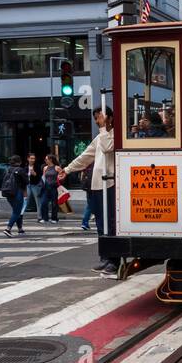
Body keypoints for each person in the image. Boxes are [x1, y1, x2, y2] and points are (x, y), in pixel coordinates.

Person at [61, 109, 117, 276]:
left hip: (111, 184)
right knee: (101, 224)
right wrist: (68, 169)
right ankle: (105, 257)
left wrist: (103, 128)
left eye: (100, 117)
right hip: (98, 185)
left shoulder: (113, 135)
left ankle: (114, 260)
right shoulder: (100, 136)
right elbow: (86, 156)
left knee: (111, 223)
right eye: (96, 118)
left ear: (110, 117)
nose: (97, 120)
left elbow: (108, 148)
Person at [1, 155, 29, 236]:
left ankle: (20, 229)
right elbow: (26, 181)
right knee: (17, 212)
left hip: (8, 192)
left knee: (17, 211)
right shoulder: (20, 170)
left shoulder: (7, 169)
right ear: (19, 162)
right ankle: (8, 229)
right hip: (17, 192)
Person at [38, 154, 60, 224]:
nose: (45, 160)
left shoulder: (57, 168)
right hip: (45, 187)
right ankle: (45, 218)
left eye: (46, 159)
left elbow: (63, 175)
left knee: (54, 203)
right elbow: (43, 177)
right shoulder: (45, 168)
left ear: (50, 160)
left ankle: (54, 218)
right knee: (43, 203)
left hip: (53, 187)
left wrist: (58, 180)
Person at [22, 153, 43, 221]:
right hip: (28, 185)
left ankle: (39, 217)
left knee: (38, 201)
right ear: (28, 159)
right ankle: (20, 215)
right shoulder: (25, 166)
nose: (33, 160)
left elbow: (40, 176)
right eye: (31, 158)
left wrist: (35, 174)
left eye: (34, 158)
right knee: (25, 200)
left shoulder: (37, 166)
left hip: (35, 185)